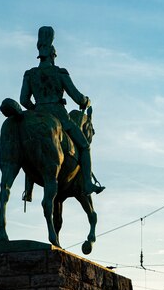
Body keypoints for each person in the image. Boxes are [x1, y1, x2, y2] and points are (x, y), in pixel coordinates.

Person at [20, 26, 105, 198]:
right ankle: (88, 183)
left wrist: (36, 109)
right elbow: (77, 97)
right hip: (59, 116)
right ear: (52, 55)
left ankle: (28, 191)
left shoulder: (30, 74)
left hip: (38, 113)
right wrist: (86, 101)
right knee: (85, 146)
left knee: (28, 148)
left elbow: (23, 100)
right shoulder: (60, 73)